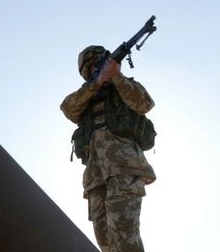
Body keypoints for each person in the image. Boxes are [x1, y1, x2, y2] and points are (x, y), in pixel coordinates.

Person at [61, 45, 156, 252]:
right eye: (93, 67)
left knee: (124, 234)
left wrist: (116, 77)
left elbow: (144, 104)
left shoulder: (125, 86)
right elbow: (68, 108)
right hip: (95, 176)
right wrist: (96, 83)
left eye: (100, 63)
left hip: (124, 166)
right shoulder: (86, 96)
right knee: (104, 240)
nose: (97, 67)